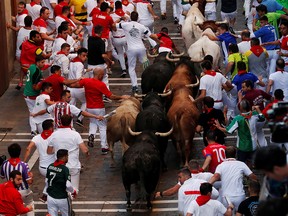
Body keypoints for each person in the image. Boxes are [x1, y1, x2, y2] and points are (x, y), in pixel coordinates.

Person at [69, 67, 130, 153]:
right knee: (102, 126)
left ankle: (91, 135)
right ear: (100, 75)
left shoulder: (86, 81)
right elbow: (111, 96)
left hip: (89, 107)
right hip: (99, 107)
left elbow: (74, 85)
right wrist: (122, 97)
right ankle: (104, 146)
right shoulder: (101, 85)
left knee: (93, 123)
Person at [114, 11, 160, 93]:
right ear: (138, 18)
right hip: (141, 48)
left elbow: (113, 25)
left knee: (132, 68)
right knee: (146, 65)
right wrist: (159, 41)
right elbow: (151, 36)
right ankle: (149, 81)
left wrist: (120, 18)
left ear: (131, 17)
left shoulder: (125, 25)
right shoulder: (141, 26)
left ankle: (134, 86)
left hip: (131, 50)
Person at [47, 115, 89, 193]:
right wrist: (87, 155)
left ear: (60, 122)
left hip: (60, 166)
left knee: (61, 188)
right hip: (73, 165)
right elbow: (85, 150)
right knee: (74, 190)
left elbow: (49, 151)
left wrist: (57, 149)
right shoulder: (75, 134)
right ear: (70, 122)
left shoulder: (54, 134)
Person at [209, 146, 258, 211]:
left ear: (225, 154)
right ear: (235, 154)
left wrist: (207, 184)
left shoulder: (221, 165)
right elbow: (253, 176)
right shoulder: (241, 164)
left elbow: (216, 176)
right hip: (239, 195)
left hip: (226, 197)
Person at [31, 90, 104, 128]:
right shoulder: (69, 107)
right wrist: (96, 116)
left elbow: (44, 111)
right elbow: (83, 113)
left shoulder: (55, 105)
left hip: (57, 130)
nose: (70, 98)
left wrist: (35, 114)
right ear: (63, 97)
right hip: (68, 129)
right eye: (68, 97)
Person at [23, 119, 55, 203]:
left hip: (41, 168)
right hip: (53, 167)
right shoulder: (55, 136)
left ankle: (46, 195)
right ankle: (46, 195)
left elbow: (28, 148)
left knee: (50, 179)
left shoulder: (36, 137)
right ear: (51, 128)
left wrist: (24, 162)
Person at [0, 143, 35, 216]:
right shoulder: (23, 165)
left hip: (10, 192)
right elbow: (29, 181)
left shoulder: (4, 164)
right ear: (19, 152)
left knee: (13, 208)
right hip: (23, 191)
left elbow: (2, 176)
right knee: (30, 203)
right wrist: (32, 176)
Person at [46, 149, 76, 216]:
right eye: (67, 156)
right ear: (64, 157)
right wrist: (73, 191)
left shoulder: (50, 166)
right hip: (62, 198)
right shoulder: (65, 169)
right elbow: (68, 185)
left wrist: (46, 193)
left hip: (50, 197)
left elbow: (46, 181)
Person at [23, 55, 46, 136]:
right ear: (38, 62)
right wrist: (42, 83)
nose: (44, 64)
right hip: (32, 94)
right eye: (42, 62)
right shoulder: (37, 71)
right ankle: (34, 129)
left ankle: (34, 129)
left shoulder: (32, 66)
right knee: (35, 112)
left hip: (27, 93)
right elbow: (35, 87)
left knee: (33, 111)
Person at [68, 48, 92, 125]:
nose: (85, 58)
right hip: (78, 89)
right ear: (79, 55)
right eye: (83, 56)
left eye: (86, 56)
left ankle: (69, 123)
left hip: (70, 89)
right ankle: (80, 118)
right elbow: (79, 78)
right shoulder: (80, 64)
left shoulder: (72, 61)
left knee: (70, 107)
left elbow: (75, 71)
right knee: (86, 102)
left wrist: (86, 70)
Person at [87, 25, 113, 91]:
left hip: (90, 64)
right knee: (104, 78)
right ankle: (106, 94)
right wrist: (110, 61)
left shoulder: (89, 39)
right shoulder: (101, 42)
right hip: (100, 64)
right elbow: (103, 55)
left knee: (92, 81)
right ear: (101, 32)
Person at [12, 15, 33, 90]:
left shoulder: (20, 30)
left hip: (18, 54)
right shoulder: (32, 32)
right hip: (26, 55)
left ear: (24, 23)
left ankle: (20, 82)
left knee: (22, 67)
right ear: (32, 22)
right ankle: (29, 84)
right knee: (30, 69)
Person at [110, 1, 128, 77]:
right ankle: (130, 66)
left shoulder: (112, 16)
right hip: (125, 37)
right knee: (128, 52)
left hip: (116, 38)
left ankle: (123, 69)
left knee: (120, 54)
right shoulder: (126, 15)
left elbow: (111, 25)